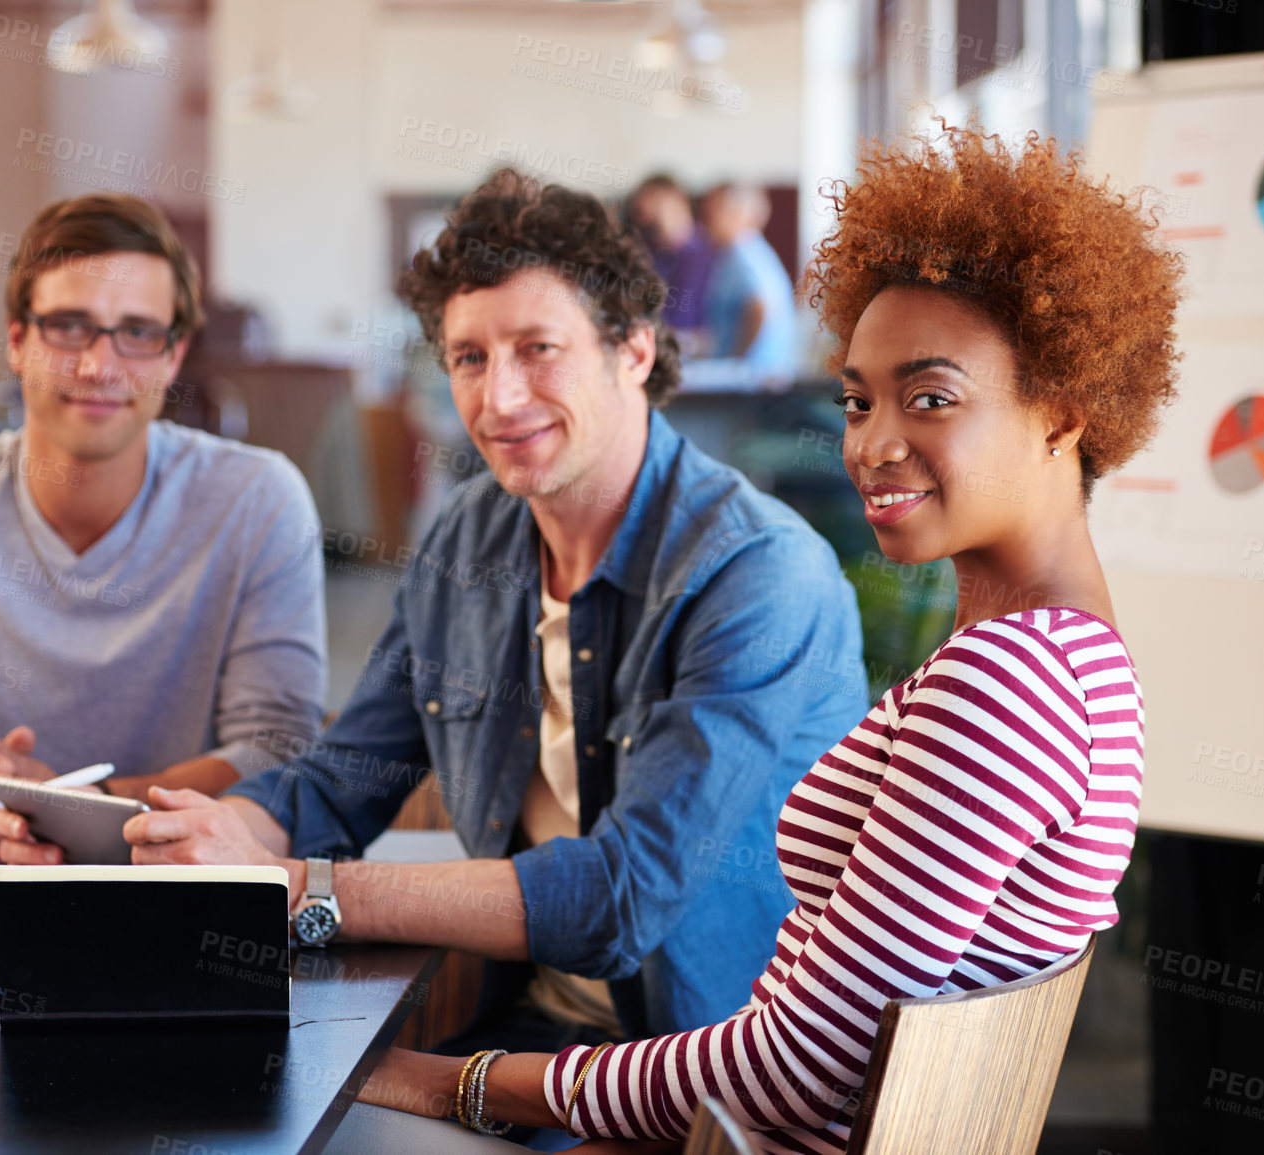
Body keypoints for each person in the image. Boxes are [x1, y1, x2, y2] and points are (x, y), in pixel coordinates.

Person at [356, 124, 1177, 1153]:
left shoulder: (1006, 687)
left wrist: (451, 1082)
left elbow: (780, 1078)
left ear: (1061, 411)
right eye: (857, 400)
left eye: (930, 398)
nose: (872, 443)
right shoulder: (1072, 662)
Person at [0, 168, 865, 1055]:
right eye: (469, 358)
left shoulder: (756, 572)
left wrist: (296, 887)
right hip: (532, 1034)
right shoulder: (471, 539)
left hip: (712, 1073)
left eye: (538, 348)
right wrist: (175, 842)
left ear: (633, 350)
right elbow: (340, 780)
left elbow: (619, 896)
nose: (499, 398)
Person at [0, 193, 327, 865]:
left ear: (172, 355)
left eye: (137, 331)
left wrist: (70, 806)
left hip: (178, 893)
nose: (98, 366)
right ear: (17, 341)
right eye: (69, 326)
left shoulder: (257, 500)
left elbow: (276, 750)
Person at [691, 183, 797, 388]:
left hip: (752, 380)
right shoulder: (746, 252)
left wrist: (735, 362)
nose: (705, 221)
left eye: (712, 212)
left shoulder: (742, 252)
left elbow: (759, 306)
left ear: (736, 214)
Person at [627, 174, 715, 350]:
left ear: (678, 199)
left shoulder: (712, 254)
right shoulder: (646, 254)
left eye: (656, 202)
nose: (649, 213)